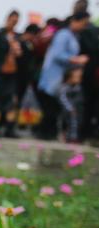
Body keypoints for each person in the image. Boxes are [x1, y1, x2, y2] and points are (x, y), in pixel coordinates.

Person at [37, 11, 90, 140]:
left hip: (62, 79)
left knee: (55, 110)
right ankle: (44, 136)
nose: (84, 26)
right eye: (83, 23)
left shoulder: (73, 36)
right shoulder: (63, 35)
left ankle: (50, 135)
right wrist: (76, 59)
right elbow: (57, 55)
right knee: (50, 109)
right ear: (75, 21)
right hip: (53, 77)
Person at [0, 10, 23, 137]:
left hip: (13, 74)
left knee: (12, 102)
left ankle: (9, 129)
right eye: (12, 19)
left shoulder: (18, 37)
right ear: (7, 19)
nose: (14, 22)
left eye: (16, 20)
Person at [74, 0, 99, 139]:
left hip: (89, 74)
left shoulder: (89, 29)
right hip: (87, 74)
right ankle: (84, 132)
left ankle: (83, 132)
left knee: (87, 103)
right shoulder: (90, 29)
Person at [58, 67, 85, 142]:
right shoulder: (64, 88)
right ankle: (69, 138)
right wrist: (70, 108)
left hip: (77, 111)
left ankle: (74, 138)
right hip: (68, 111)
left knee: (76, 124)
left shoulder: (78, 87)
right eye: (77, 77)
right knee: (68, 124)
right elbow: (63, 99)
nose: (80, 79)